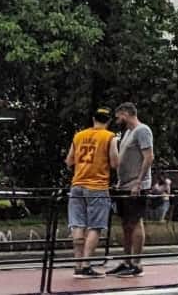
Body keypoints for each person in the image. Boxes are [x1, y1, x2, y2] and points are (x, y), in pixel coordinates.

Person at [64, 108, 116, 278]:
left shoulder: (78, 136)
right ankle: (86, 264)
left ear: (93, 118)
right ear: (108, 121)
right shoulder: (109, 137)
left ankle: (77, 264)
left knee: (78, 224)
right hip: (97, 186)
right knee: (96, 226)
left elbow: (69, 160)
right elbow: (115, 162)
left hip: (77, 184)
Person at [107, 103, 155, 278]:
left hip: (136, 185)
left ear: (126, 114)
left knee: (135, 221)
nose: (117, 120)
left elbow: (149, 157)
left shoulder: (143, 131)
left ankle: (136, 262)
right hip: (124, 184)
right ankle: (126, 260)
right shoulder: (127, 133)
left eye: (119, 116)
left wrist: (138, 182)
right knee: (126, 223)